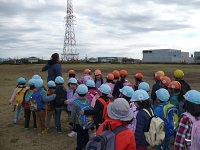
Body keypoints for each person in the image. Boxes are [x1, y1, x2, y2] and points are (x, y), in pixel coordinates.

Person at [69, 84, 90, 150]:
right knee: (86, 133)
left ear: (77, 92)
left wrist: (71, 122)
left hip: (79, 122)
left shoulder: (75, 102)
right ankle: (86, 146)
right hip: (87, 121)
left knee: (79, 135)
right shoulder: (88, 101)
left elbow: (73, 114)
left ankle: (79, 147)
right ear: (86, 92)